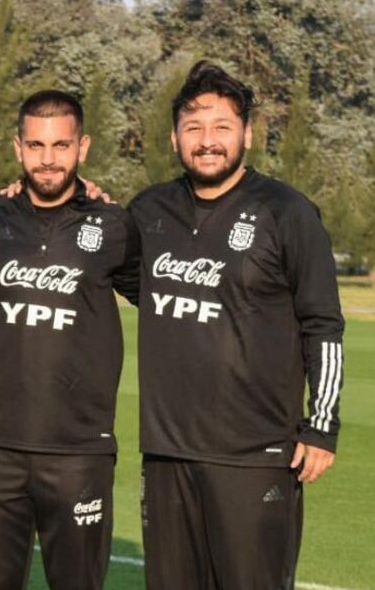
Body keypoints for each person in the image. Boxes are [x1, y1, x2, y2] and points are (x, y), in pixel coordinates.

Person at [128, 61, 344, 588]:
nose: (208, 141)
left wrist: (322, 425)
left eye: (222, 126)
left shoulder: (287, 212)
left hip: (255, 456)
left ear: (247, 134)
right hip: (167, 453)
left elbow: (323, 323)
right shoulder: (148, 211)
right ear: (175, 137)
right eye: (194, 127)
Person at [0, 90, 139, 589]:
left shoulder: (115, 225)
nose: (48, 159)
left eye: (61, 145)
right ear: (18, 147)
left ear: (83, 147)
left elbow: (166, 304)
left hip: (79, 451)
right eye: (36, 145)